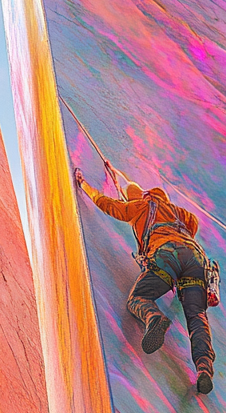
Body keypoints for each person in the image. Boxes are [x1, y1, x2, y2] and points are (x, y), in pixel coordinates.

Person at [74, 168, 216, 394]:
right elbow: (194, 224)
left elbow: (106, 204)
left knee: (138, 298)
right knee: (197, 315)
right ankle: (204, 367)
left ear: (144, 196)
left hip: (165, 255)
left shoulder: (139, 207)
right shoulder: (182, 214)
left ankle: (153, 317)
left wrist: (84, 184)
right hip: (196, 259)